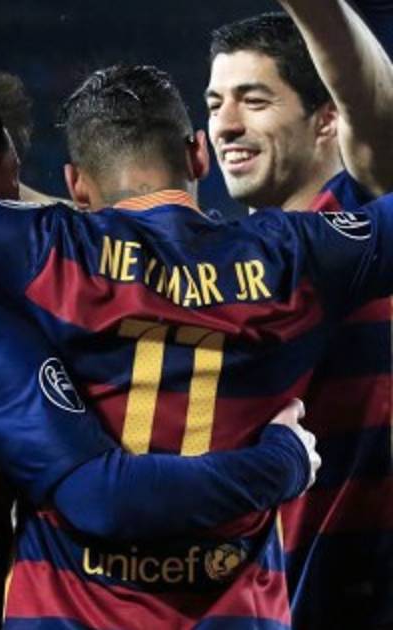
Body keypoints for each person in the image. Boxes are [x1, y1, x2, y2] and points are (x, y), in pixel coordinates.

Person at [0, 62, 393, 628]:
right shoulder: (300, 254)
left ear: (75, 185)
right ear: (197, 155)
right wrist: (285, 461)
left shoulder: (40, 248)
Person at [205, 3, 393, 625]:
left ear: (327, 119)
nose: (226, 125)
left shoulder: (363, 217)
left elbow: (373, 100)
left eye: (254, 101)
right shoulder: (219, 263)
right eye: (214, 104)